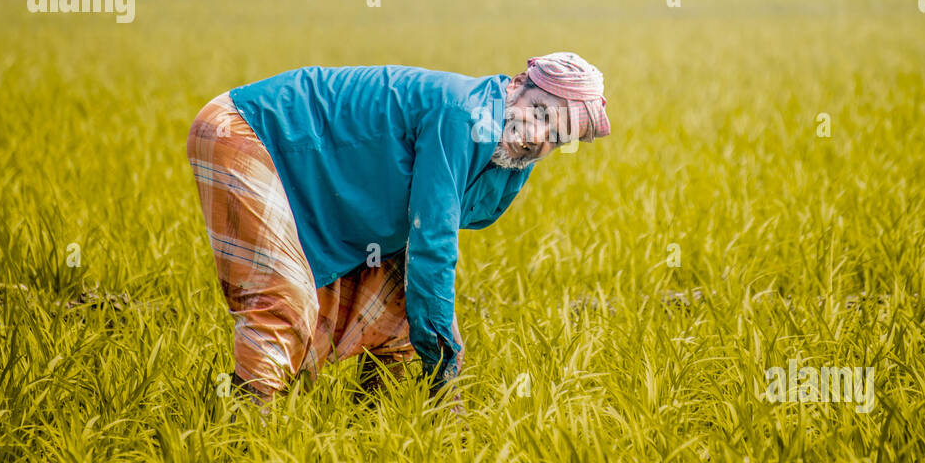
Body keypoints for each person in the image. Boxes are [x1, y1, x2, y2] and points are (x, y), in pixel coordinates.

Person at [186, 51, 610, 416]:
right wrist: (447, 366)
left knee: (396, 307)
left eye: (555, 135)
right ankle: (240, 437)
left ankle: (371, 428)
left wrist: (434, 343)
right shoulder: (462, 114)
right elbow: (432, 243)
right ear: (518, 85)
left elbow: (417, 244)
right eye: (537, 113)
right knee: (284, 301)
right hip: (245, 130)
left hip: (307, 167)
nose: (536, 136)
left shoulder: (504, 156)